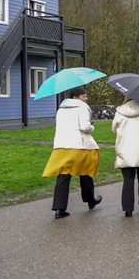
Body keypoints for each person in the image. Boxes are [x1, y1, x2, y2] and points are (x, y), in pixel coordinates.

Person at [42, 86, 102, 219]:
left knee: (63, 176)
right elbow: (85, 127)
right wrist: (92, 126)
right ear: (76, 97)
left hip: (62, 145)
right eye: (83, 96)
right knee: (85, 172)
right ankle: (90, 200)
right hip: (79, 146)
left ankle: (59, 208)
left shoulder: (61, 109)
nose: (86, 99)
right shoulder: (82, 107)